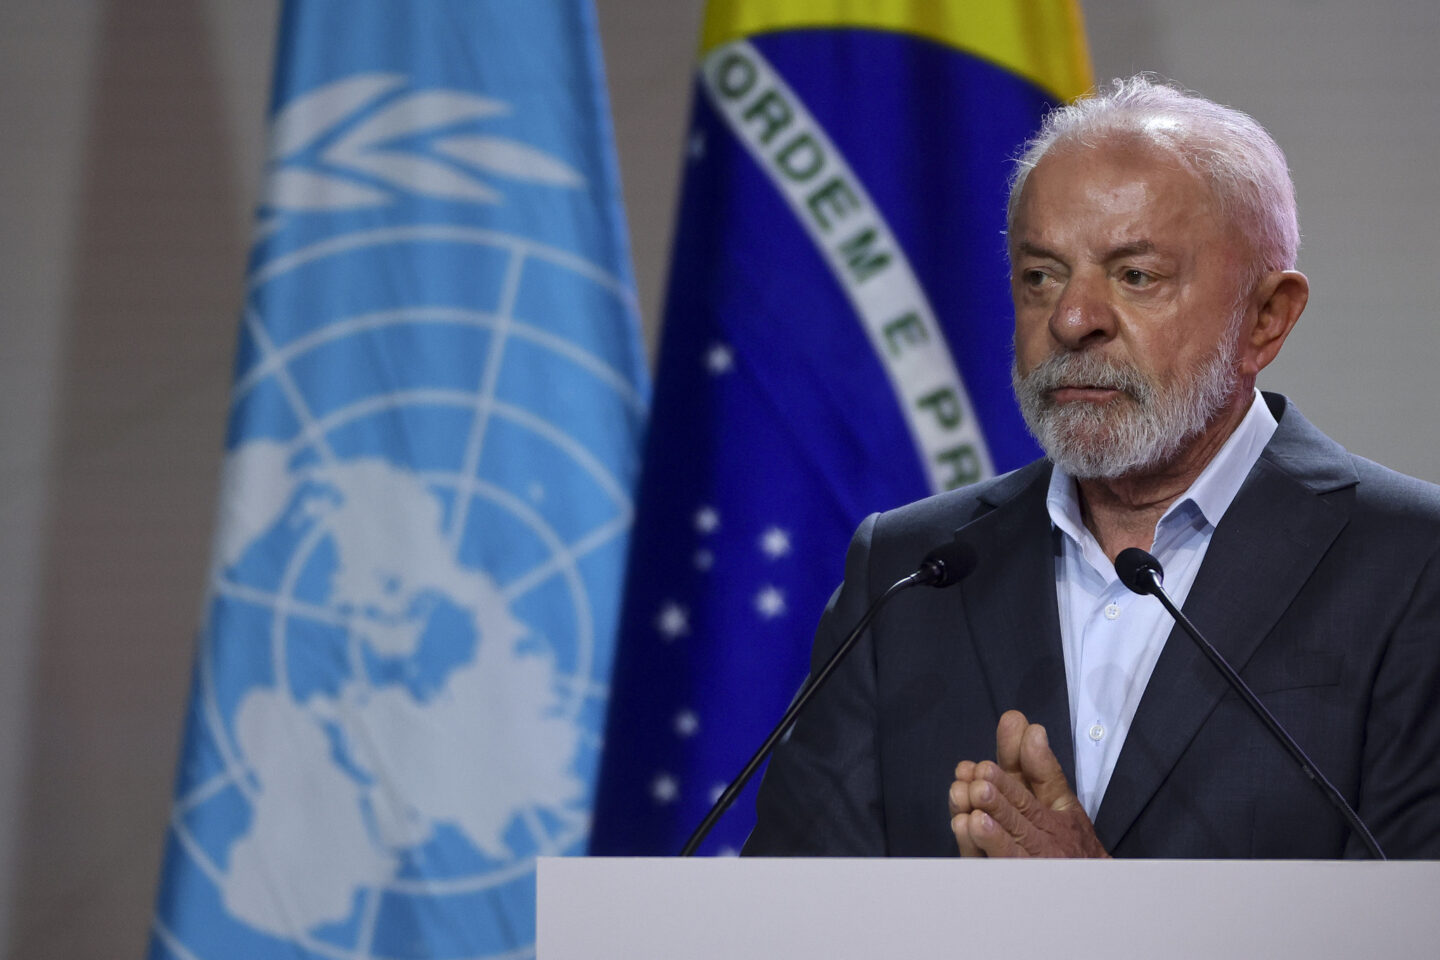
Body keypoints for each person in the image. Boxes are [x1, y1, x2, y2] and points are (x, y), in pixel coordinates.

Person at [741, 76, 1440, 859]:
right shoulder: (908, 571)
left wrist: (1105, 920)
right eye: (1041, 275)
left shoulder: (1412, 563)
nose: (1072, 319)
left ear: (1265, 319)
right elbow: (791, 912)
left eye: (1136, 275)